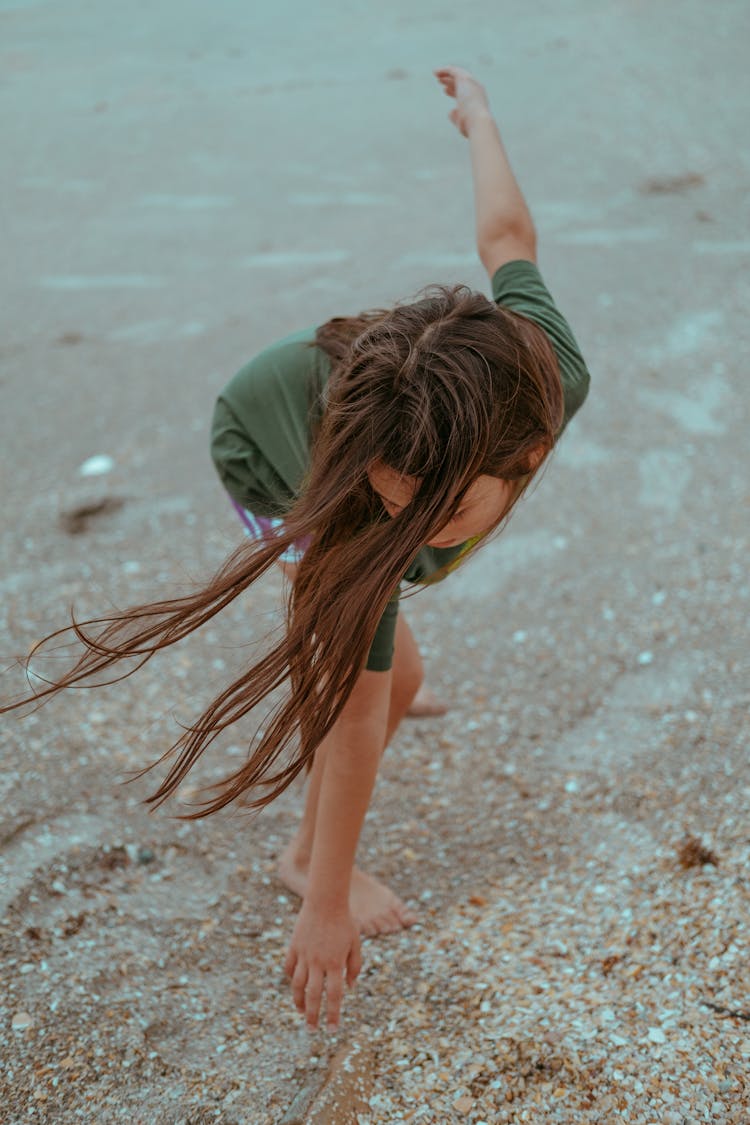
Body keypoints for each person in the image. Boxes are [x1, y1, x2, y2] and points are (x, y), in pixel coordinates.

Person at [3, 66, 590, 1033]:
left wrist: (480, 118)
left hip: (358, 404)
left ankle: (389, 651)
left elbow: (507, 239)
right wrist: (323, 902)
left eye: (437, 512)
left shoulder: (547, 375)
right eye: (402, 508)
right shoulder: (366, 503)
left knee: (388, 652)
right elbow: (352, 719)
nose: (412, 528)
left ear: (526, 450)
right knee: (378, 680)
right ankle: (301, 851)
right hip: (268, 447)